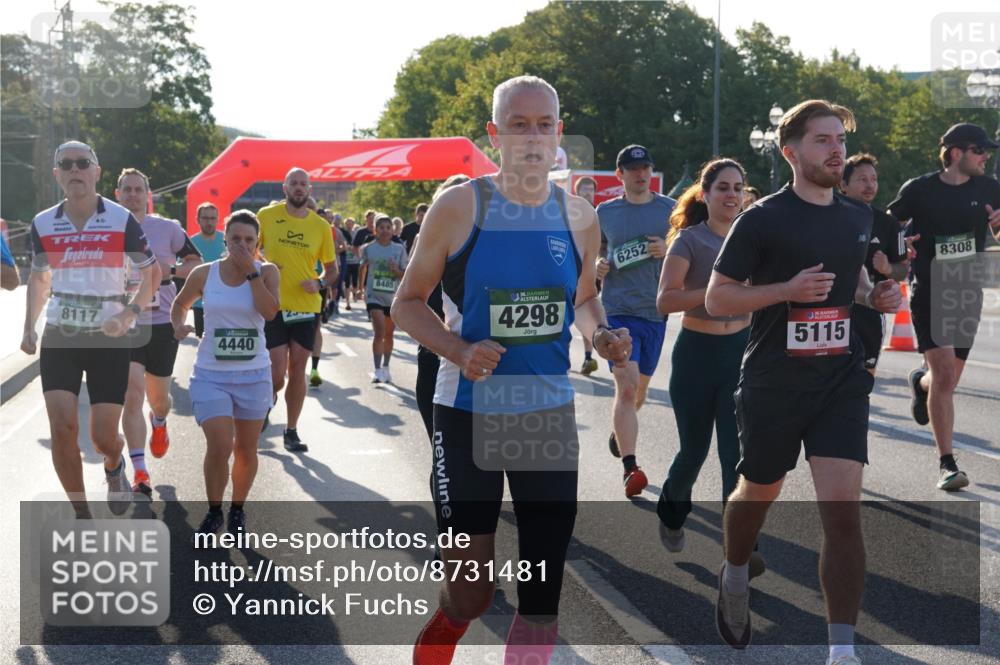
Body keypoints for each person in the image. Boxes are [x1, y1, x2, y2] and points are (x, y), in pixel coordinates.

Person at [392, 75, 630, 665]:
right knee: (471, 595)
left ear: (559, 131)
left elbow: (579, 299)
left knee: (543, 594)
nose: (533, 137)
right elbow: (405, 303)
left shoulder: (579, 216)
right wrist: (457, 349)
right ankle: (446, 626)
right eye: (518, 126)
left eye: (544, 124)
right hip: (468, 413)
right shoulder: (459, 206)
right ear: (495, 134)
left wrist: (600, 333)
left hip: (546, 415)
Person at [706, 100, 901, 665]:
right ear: (790, 152)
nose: (836, 149)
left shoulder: (855, 215)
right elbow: (719, 299)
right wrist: (784, 290)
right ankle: (737, 572)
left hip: (840, 378)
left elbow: (857, 283)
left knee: (843, 512)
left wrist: (875, 296)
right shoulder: (761, 218)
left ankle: (842, 651)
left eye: (839, 138)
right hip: (773, 381)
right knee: (758, 492)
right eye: (822, 140)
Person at [22, 140, 160, 518]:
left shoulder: (121, 220)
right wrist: (29, 328)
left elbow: (152, 273)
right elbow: (39, 279)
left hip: (109, 338)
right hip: (60, 335)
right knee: (62, 426)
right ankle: (81, 513)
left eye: (83, 163)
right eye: (65, 165)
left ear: (96, 172)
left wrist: (130, 313)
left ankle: (115, 464)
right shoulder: (43, 223)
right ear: (57, 175)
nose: (74, 170)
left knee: (102, 437)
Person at [889, 123, 1000, 491]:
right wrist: (902, 243)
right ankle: (946, 463)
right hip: (930, 290)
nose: (986, 157)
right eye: (980, 150)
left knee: (944, 379)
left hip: (968, 291)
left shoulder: (990, 189)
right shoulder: (918, 189)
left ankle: (920, 382)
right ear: (956, 153)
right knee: (947, 378)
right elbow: (890, 228)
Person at [655, 158, 755, 563]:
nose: (732, 195)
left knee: (736, 454)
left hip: (741, 355)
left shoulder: (753, 238)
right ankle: (672, 510)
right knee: (694, 451)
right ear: (705, 194)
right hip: (697, 354)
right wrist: (715, 289)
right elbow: (666, 300)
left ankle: (740, 545)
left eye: (737, 188)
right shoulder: (689, 241)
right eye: (723, 188)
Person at [172, 210, 280, 535]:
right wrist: (179, 324)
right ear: (225, 240)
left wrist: (252, 274)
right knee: (220, 445)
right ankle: (215, 510)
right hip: (211, 374)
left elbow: (271, 312)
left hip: (254, 374)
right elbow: (180, 304)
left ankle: (237, 509)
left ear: (257, 242)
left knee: (246, 450)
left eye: (249, 240)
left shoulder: (267, 272)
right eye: (236, 239)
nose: (242, 246)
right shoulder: (205, 274)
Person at [594, 144, 675, 497]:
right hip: (618, 310)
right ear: (620, 175)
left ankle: (620, 432)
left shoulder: (670, 210)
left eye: (645, 167)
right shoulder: (606, 212)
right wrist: (598, 265)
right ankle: (631, 467)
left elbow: (690, 249)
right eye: (633, 169)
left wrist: (668, 249)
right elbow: (594, 251)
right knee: (626, 388)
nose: (640, 174)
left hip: (655, 311)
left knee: (638, 391)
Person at [117, 168, 203, 496]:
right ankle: (140, 472)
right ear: (118, 193)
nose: (133, 195)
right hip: (126, 323)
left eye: (139, 190)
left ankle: (160, 422)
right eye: (127, 190)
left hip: (162, 323)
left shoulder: (168, 229)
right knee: (132, 394)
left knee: (158, 399)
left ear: (147, 194)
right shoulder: (109, 229)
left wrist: (173, 270)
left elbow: (195, 262)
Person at [257, 169, 337, 452]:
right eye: (294, 183)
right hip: (273, 304)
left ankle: (291, 431)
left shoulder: (320, 226)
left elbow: (332, 270)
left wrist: (319, 283)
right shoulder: (266, 216)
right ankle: (267, 402)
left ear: (309, 189)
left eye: (304, 184)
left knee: (298, 368)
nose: (299, 188)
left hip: (306, 306)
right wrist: (264, 267)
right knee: (276, 372)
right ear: (285, 187)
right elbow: (248, 249)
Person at [839, 153, 909, 376]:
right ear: (843, 184)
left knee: (864, 376)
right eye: (862, 179)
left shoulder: (888, 224)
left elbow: (902, 269)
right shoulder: (827, 216)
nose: (870, 185)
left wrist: (888, 268)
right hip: (831, 310)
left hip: (869, 311)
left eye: (874, 179)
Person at [413, 176, 470, 439]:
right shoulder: (425, 240)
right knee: (441, 455)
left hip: (478, 357)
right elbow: (406, 303)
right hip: (434, 354)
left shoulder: (489, 243)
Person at [360, 214, 408, 383]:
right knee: (379, 331)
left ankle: (386, 367)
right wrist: (361, 289)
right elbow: (362, 267)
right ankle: (377, 370)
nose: (385, 230)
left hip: (392, 297)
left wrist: (397, 271)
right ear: (375, 230)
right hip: (374, 296)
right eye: (381, 227)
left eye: (388, 227)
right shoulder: (369, 248)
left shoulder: (399, 249)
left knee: (389, 334)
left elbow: (405, 275)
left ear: (393, 230)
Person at [190, 202, 227, 338]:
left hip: (225, 301)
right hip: (200, 303)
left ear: (218, 219)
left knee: (223, 343)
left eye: (212, 218)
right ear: (198, 220)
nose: (209, 222)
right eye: (205, 218)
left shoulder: (226, 240)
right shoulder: (190, 242)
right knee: (203, 341)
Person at [573, 176, 599, 376]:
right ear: (577, 191)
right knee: (563, 316)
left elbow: (606, 244)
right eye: (585, 190)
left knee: (586, 311)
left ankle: (588, 357)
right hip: (568, 271)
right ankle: (560, 357)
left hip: (590, 272)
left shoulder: (598, 214)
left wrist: (601, 261)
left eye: (591, 190)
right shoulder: (568, 213)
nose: (588, 193)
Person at [343, 217, 360, 311]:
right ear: (345, 224)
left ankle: (354, 293)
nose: (349, 225)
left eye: (351, 223)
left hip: (355, 261)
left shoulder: (356, 234)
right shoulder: (343, 233)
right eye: (347, 223)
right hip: (346, 261)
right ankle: (347, 302)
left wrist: (354, 248)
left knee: (354, 281)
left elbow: (359, 245)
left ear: (353, 224)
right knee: (346, 282)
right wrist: (345, 247)